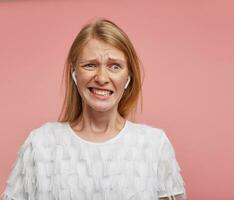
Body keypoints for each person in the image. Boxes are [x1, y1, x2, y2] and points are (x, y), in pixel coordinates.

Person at [2, 18, 186, 200]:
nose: (102, 78)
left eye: (115, 66)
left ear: (128, 77)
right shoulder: (40, 144)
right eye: (90, 65)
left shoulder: (154, 145)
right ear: (75, 73)